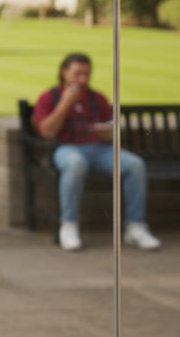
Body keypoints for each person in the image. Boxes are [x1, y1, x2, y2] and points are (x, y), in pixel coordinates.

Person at [32, 52, 160, 252]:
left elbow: (112, 130)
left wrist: (107, 131)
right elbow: (47, 131)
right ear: (64, 72)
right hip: (65, 149)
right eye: (77, 74)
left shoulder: (97, 98)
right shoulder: (49, 97)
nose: (82, 80)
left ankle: (135, 226)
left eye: (86, 74)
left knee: (134, 164)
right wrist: (65, 103)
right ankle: (68, 225)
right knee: (75, 164)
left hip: (99, 150)